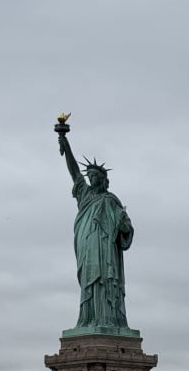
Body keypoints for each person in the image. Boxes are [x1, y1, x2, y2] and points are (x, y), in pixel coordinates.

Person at [57, 127, 134, 330]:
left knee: (106, 280)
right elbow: (74, 172)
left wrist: (124, 226)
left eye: (95, 176)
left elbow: (126, 230)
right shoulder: (85, 194)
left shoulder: (111, 200)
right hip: (88, 245)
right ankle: (89, 319)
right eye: (89, 176)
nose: (91, 179)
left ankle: (110, 320)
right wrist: (65, 143)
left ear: (103, 179)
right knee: (90, 281)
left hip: (106, 248)